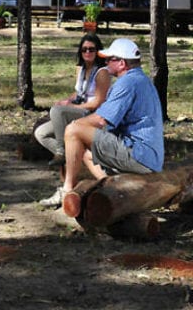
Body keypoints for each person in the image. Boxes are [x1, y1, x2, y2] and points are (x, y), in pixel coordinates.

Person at [40, 38, 164, 208]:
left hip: (138, 154)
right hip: (150, 157)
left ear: (121, 63)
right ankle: (112, 189)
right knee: (85, 152)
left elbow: (101, 119)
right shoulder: (141, 79)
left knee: (73, 131)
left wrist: (76, 125)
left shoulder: (127, 82)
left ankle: (66, 190)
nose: (105, 62)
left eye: (109, 59)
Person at [34, 34, 111, 168]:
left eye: (91, 49)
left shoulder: (102, 72)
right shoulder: (81, 69)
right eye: (84, 49)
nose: (87, 52)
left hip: (92, 113)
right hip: (79, 108)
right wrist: (67, 100)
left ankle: (61, 152)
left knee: (57, 111)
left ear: (98, 51)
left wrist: (75, 106)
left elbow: (98, 102)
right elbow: (79, 91)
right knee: (40, 133)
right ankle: (77, 157)